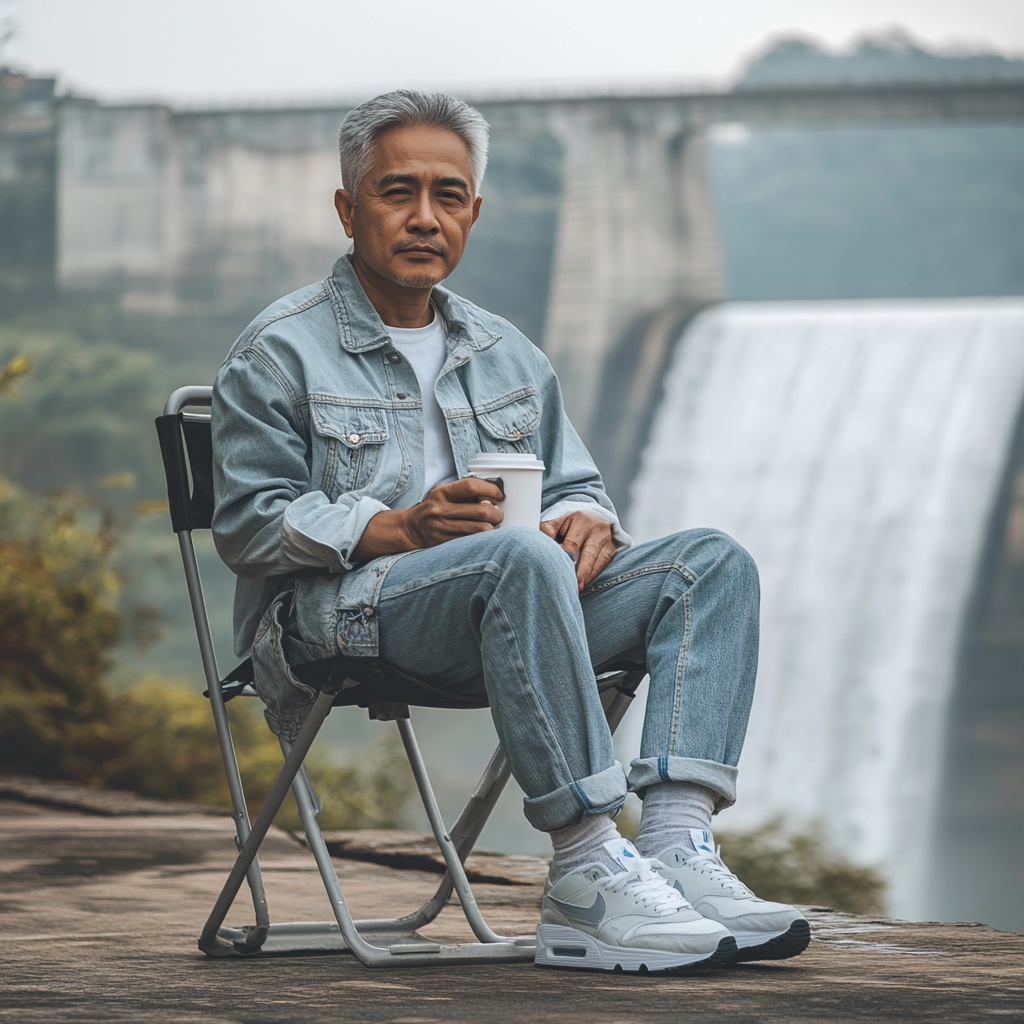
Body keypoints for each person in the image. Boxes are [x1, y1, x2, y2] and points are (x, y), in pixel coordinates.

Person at [211, 90, 808, 974]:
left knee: (709, 563)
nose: (425, 217)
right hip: (342, 621)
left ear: (474, 212)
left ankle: (677, 849)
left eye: (448, 196)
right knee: (518, 555)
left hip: (511, 607)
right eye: (396, 192)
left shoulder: (509, 353)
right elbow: (250, 525)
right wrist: (396, 526)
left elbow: (577, 483)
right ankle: (585, 872)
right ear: (348, 207)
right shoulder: (279, 352)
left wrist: (591, 523)